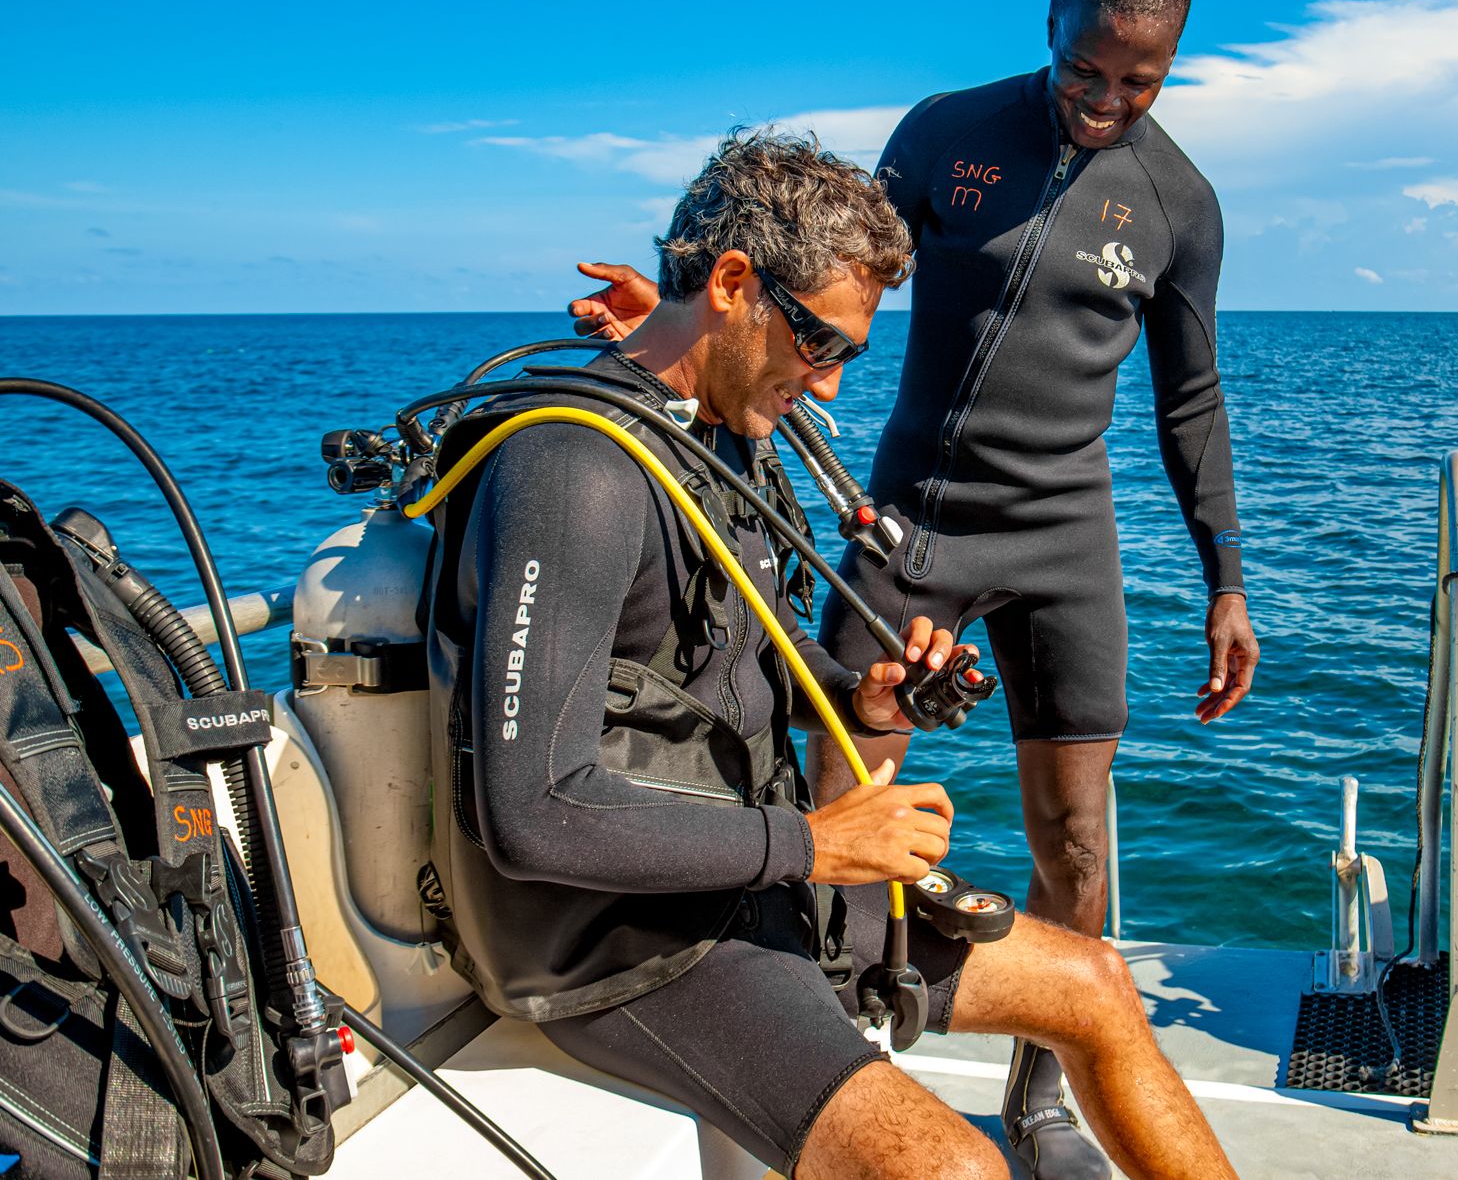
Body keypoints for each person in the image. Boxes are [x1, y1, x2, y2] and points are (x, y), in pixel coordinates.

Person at [569, 0, 1257, 1175]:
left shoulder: (1179, 203)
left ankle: (1040, 1102)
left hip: (1065, 537)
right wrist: (678, 318)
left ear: (1168, 68)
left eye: (1137, 83)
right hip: (912, 520)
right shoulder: (947, 133)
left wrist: (1224, 578)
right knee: (845, 806)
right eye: (1085, 69)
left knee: (1077, 841)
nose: (1104, 101)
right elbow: (810, 268)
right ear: (1050, 22)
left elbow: (1190, 401)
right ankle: (833, 1070)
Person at [427, 129, 1237, 1180]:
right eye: (819, 344)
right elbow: (532, 809)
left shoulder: (712, 443)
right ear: (730, 283)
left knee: (1094, 985)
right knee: (953, 1169)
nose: (829, 386)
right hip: (625, 941)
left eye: (850, 354)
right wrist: (814, 844)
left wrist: (865, 694)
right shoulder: (573, 471)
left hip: (748, 876)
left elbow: (729, 666)